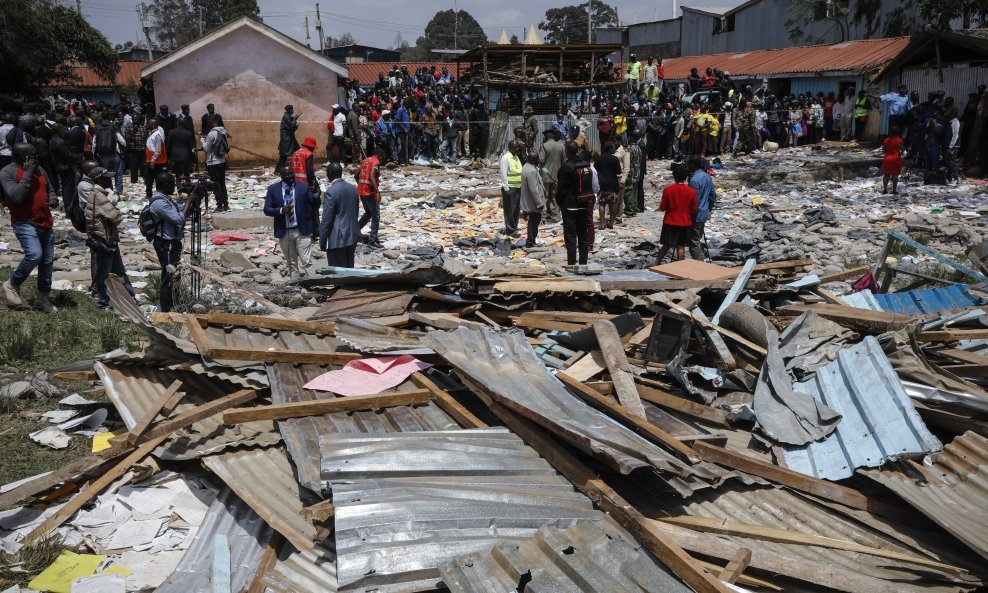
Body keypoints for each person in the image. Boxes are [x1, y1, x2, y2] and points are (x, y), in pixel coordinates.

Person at [0, 143, 60, 312]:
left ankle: (42, 298)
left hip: (45, 220)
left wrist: (53, 199)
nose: (36, 158)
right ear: (21, 157)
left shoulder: (41, 170)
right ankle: (12, 283)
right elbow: (17, 197)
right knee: (34, 254)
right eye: (32, 155)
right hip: (24, 221)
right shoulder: (7, 172)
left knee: (47, 262)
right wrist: (27, 173)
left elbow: (51, 190)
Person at [80, 162, 137, 309]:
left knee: (119, 270)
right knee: (104, 274)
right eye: (106, 178)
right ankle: (104, 302)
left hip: (108, 239)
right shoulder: (99, 196)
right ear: (99, 179)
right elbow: (116, 217)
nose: (109, 180)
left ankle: (131, 297)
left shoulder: (97, 193)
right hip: (104, 239)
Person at [264, 167, 319, 280]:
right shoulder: (273, 189)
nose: (290, 176)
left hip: (301, 229)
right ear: (281, 175)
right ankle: (295, 284)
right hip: (284, 231)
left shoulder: (303, 186)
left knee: (306, 260)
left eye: (291, 173)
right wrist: (280, 210)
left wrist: (316, 196)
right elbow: (267, 209)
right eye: (287, 174)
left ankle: (314, 283)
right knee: (291, 262)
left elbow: (314, 204)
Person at [147, 172, 189, 312]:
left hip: (171, 243)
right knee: (168, 277)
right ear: (165, 184)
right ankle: (166, 310)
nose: (174, 187)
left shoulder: (166, 199)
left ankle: (175, 304)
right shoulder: (159, 202)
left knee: (175, 275)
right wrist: (189, 202)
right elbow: (178, 219)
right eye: (172, 183)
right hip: (165, 244)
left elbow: (179, 212)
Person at [556, 141, 598, 266]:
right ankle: (583, 264)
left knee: (570, 237)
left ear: (566, 151)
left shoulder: (565, 168)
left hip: (570, 206)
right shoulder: (585, 165)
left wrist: (560, 204)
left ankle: (571, 264)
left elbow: (561, 191)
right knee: (583, 236)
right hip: (584, 204)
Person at [654, 165, 698, 265]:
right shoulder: (691, 191)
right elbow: (694, 209)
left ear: (674, 177)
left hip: (670, 221)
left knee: (666, 245)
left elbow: (662, 207)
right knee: (681, 247)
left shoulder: (668, 190)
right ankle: (679, 268)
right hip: (685, 222)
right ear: (686, 177)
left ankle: (656, 263)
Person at [320, 162, 360, 268]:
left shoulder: (330, 192)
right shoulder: (353, 188)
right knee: (349, 267)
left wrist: (322, 240)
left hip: (337, 237)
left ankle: (340, 285)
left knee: (338, 270)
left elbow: (327, 219)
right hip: (352, 234)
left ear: (329, 173)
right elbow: (355, 212)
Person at [687, 155, 716, 260]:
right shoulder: (707, 176)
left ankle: (699, 265)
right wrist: (709, 209)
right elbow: (713, 195)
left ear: (692, 165)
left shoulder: (694, 180)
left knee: (693, 242)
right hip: (704, 213)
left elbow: (693, 201)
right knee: (698, 238)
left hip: (696, 214)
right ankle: (701, 259)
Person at [202, 115, 230, 212]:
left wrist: (202, 140)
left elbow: (206, 148)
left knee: (216, 184)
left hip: (212, 162)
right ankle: (226, 204)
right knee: (222, 183)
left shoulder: (211, 133)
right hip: (222, 161)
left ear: (212, 122)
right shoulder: (224, 132)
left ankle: (219, 205)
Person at [356, 147, 384, 247]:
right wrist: (378, 192)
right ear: (379, 156)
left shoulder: (364, 161)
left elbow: (356, 175)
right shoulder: (375, 162)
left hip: (361, 191)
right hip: (370, 193)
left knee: (368, 213)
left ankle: (354, 231)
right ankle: (372, 240)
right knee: (376, 216)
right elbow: (372, 176)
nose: (381, 160)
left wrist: (360, 185)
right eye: (382, 158)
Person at [519, 151, 546, 248]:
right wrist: (539, 203)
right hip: (533, 202)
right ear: (534, 160)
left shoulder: (526, 167)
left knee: (532, 221)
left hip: (529, 201)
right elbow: (534, 189)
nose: (539, 161)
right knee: (534, 221)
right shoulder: (532, 171)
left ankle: (531, 240)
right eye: (537, 159)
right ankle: (531, 241)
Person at [537, 129, 564, 223]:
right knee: (554, 196)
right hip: (557, 176)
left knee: (544, 196)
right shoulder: (561, 146)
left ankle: (543, 217)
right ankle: (556, 216)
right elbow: (564, 161)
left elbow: (541, 159)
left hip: (545, 175)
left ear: (546, 136)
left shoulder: (544, 146)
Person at [594, 140, 621, 229]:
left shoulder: (598, 158)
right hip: (612, 184)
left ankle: (602, 223)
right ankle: (611, 223)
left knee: (602, 204)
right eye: (613, 147)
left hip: (601, 184)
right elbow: (618, 171)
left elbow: (595, 170)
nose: (614, 149)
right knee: (612, 204)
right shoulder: (614, 159)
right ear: (610, 148)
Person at [499, 140, 524, 236]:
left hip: (518, 187)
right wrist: (506, 188)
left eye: (518, 147)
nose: (517, 149)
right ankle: (510, 229)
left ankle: (514, 227)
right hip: (510, 188)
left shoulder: (516, 157)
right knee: (509, 209)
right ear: (509, 147)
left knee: (516, 209)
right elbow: (503, 174)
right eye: (515, 147)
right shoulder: (506, 158)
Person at [144, 118, 167, 199]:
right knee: (149, 178)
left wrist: (153, 160)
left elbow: (158, 150)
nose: (147, 125)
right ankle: (149, 193)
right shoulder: (152, 134)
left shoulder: (157, 135)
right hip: (151, 160)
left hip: (156, 161)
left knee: (157, 178)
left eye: (149, 124)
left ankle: (158, 194)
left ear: (154, 125)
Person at [623, 133, 642, 219]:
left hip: (631, 173)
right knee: (634, 191)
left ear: (632, 138)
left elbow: (627, 161)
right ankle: (633, 210)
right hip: (637, 172)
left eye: (629, 137)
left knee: (628, 192)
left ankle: (629, 211)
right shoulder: (638, 148)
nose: (628, 139)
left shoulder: (630, 149)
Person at [881, 127, 904, 194]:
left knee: (886, 175)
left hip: (887, 159)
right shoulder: (899, 140)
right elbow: (903, 150)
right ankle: (894, 190)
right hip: (896, 159)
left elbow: (883, 151)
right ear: (897, 133)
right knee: (895, 175)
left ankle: (885, 190)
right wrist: (903, 153)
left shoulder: (886, 140)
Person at [277, 104, 300, 172]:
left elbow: (291, 127)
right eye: (291, 109)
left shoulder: (288, 116)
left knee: (297, 151)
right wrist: (295, 119)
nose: (293, 111)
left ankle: (296, 167)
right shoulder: (286, 117)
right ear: (289, 110)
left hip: (290, 138)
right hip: (286, 139)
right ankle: (277, 170)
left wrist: (295, 125)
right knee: (283, 156)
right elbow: (291, 125)